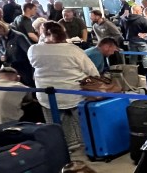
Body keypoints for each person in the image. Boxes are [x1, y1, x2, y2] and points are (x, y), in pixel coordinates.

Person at [29, 22, 100, 152]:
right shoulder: (72, 50)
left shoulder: (34, 49)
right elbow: (92, 72)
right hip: (75, 93)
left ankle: (62, 146)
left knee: (55, 124)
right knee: (79, 121)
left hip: (46, 95)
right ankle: (83, 142)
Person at [0, 18, 34, 86]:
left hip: (24, 70)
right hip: (9, 70)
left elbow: (31, 53)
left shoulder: (19, 37)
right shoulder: (1, 39)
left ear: (0, 27)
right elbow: (1, 53)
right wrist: (1, 58)